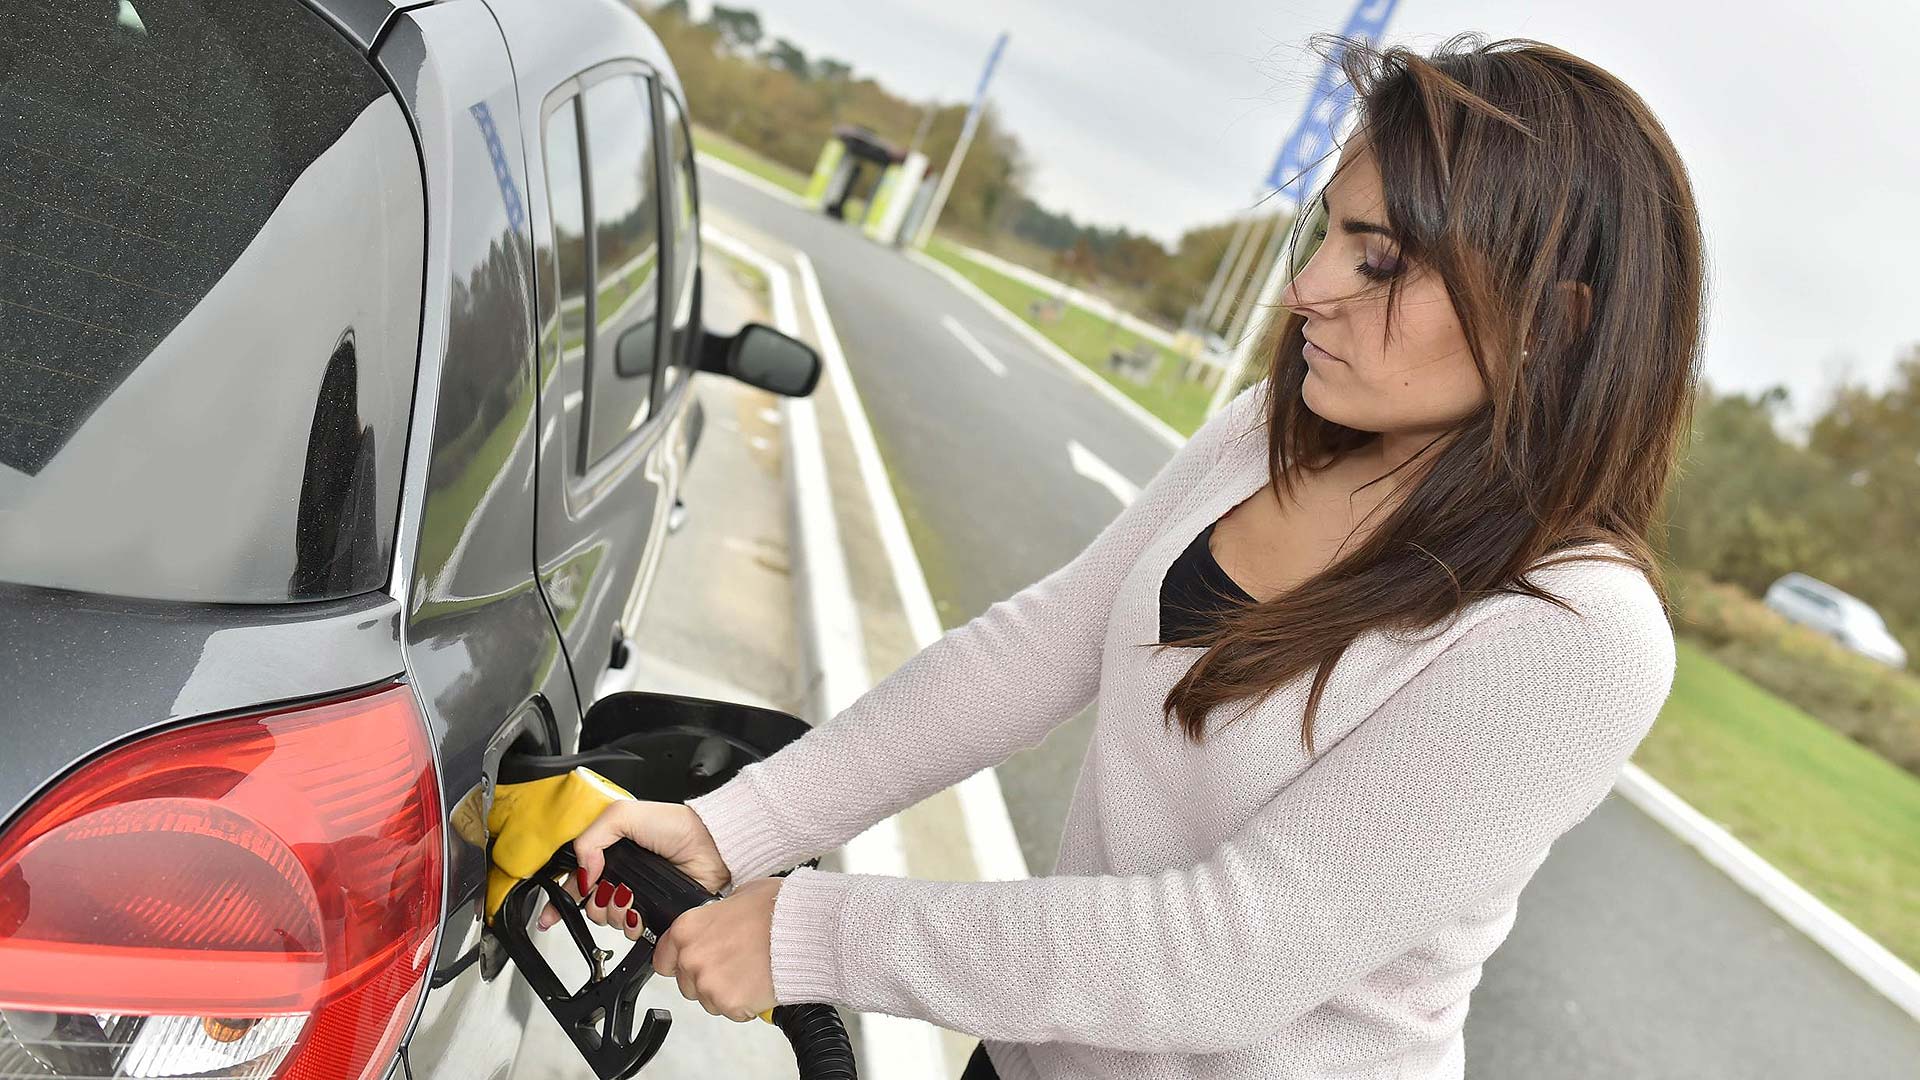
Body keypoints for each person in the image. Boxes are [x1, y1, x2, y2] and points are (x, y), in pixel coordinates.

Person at [547, 29, 1703, 1080]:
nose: (1306, 291)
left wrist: (814, 935)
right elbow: (1035, 650)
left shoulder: (1574, 636)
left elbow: (1232, 953)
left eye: (1383, 262)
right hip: (1032, 1060)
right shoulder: (1271, 431)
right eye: (1329, 236)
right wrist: (732, 829)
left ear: (1556, 322)